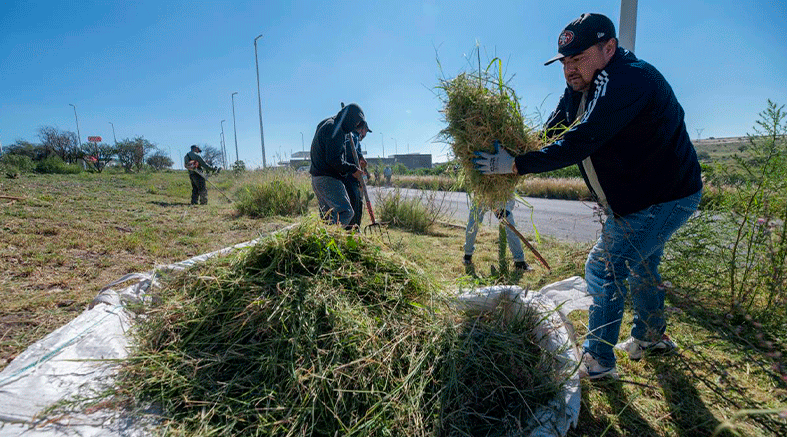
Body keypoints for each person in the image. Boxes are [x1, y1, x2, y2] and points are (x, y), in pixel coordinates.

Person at [472, 13, 703, 379]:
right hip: (639, 197)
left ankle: (598, 361)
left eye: (578, 59)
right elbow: (555, 130)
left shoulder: (628, 80)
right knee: (642, 264)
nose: (569, 69)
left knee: (603, 267)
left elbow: (580, 140)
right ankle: (653, 336)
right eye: (564, 62)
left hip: (664, 197)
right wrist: (516, 151)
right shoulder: (581, 86)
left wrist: (516, 165)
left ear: (608, 48)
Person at [309, 103, 371, 228]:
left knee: (328, 216)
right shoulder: (335, 129)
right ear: (350, 118)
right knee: (346, 212)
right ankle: (331, 236)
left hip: (317, 178)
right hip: (328, 178)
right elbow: (333, 160)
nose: (356, 127)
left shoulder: (329, 124)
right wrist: (353, 169)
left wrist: (358, 157)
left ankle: (327, 243)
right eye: (356, 123)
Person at [463, 198, 530, 272]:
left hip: (499, 200)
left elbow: (511, 196)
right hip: (481, 197)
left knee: (510, 227)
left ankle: (519, 262)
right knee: (472, 226)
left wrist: (505, 208)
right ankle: (467, 256)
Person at [343, 117, 370, 228]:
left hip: (353, 177)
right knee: (354, 206)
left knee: (358, 204)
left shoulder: (355, 138)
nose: (365, 135)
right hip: (350, 177)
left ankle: (355, 230)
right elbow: (349, 149)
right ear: (362, 129)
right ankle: (352, 232)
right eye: (366, 132)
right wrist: (360, 157)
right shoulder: (353, 136)